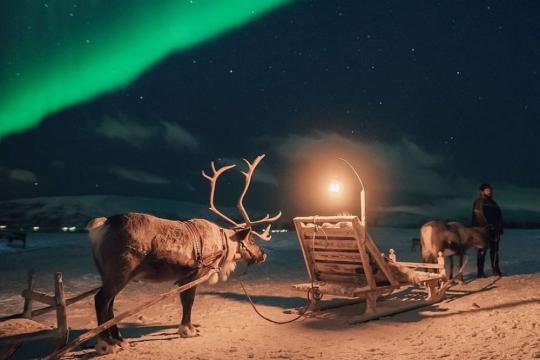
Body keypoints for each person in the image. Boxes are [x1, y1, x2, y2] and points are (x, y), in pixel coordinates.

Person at [471, 183, 504, 277]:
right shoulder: (479, 201)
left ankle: (496, 270)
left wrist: (500, 227)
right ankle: (480, 272)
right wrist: (486, 226)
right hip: (482, 231)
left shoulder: (494, 203)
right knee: (482, 250)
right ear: (482, 191)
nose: (489, 192)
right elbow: (478, 215)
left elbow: (499, 216)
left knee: (495, 250)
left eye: (490, 190)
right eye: (487, 190)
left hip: (495, 230)